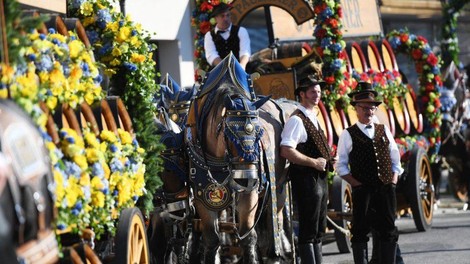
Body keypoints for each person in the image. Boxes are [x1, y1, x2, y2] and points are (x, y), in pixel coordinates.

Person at [335, 82, 403, 264]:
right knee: (360, 231)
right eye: (365, 108)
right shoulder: (348, 134)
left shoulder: (384, 130)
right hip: (363, 190)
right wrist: (356, 184)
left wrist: (393, 180)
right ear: (356, 109)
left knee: (388, 229)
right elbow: (340, 166)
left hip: (386, 188)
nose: (369, 111)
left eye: (372, 108)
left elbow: (395, 158)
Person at [280, 75, 333, 264]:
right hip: (306, 180)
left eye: (318, 91)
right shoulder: (297, 120)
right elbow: (286, 150)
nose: (316, 95)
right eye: (312, 92)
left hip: (318, 179)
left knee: (318, 229)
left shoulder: (312, 117)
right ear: (302, 94)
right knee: (309, 231)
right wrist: (313, 162)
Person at [204, 2, 251, 70]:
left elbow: (245, 51)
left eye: (228, 15)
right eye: (222, 16)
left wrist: (242, 66)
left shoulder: (241, 31)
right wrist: (226, 69)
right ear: (216, 18)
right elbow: (211, 55)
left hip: (240, 69)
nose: (226, 18)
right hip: (219, 72)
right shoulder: (209, 35)